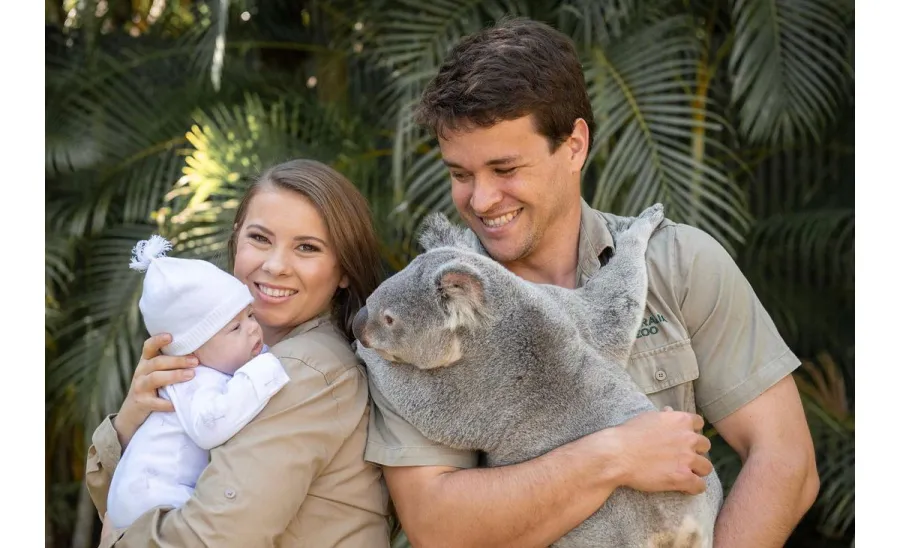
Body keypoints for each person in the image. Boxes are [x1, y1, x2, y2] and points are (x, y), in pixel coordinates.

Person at [364, 18, 820, 548]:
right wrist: (615, 456)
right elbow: (437, 525)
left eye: (504, 168)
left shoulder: (677, 263)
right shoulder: (417, 312)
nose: (481, 200)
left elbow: (785, 459)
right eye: (461, 175)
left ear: (574, 145)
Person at [85, 159, 391, 547]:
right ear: (236, 239)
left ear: (344, 269)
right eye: (260, 238)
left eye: (307, 247)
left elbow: (214, 537)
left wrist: (118, 541)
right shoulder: (229, 361)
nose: (275, 265)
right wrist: (132, 422)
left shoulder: (301, 369)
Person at [106, 235, 290, 529]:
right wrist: (266, 371)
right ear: (192, 350)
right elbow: (209, 426)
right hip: (152, 497)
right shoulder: (190, 377)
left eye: (250, 314)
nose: (254, 329)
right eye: (235, 327)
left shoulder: (215, 364)